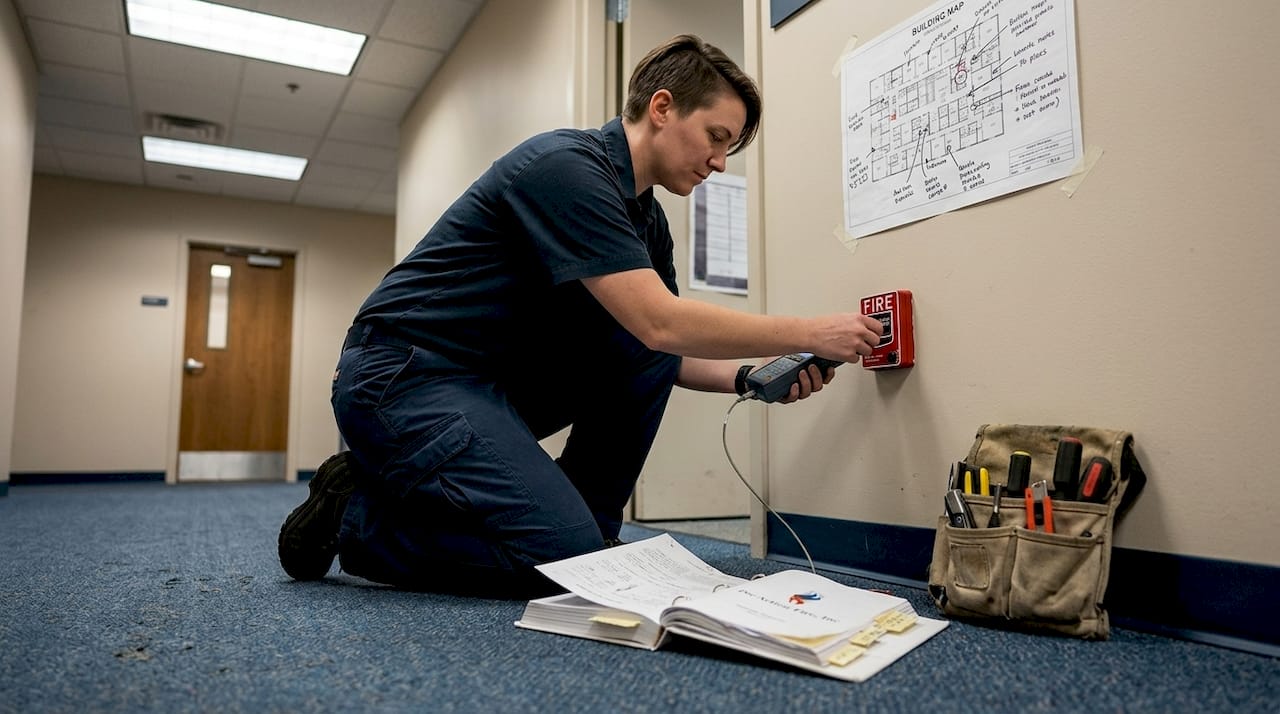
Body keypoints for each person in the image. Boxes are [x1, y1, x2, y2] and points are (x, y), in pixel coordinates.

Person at [278, 34, 882, 595]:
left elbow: (655, 346)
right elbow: (662, 321)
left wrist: (748, 378)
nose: (721, 162)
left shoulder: (646, 220)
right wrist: (809, 329)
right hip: (403, 376)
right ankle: (354, 515)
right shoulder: (564, 167)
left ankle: (590, 531)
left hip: (488, 386)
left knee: (634, 364)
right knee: (559, 560)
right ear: (663, 107)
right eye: (717, 137)